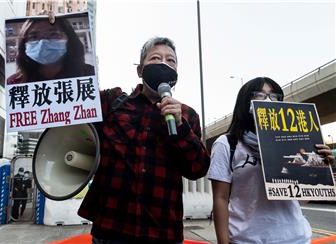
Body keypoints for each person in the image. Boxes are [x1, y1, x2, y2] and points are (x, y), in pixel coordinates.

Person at [78, 37, 210, 244]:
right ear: (140, 70)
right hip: (111, 229)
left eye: (171, 60)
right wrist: (55, 28)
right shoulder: (112, 103)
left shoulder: (187, 115)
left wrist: (181, 128)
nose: (163, 64)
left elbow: (197, 169)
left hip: (163, 233)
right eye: (155, 58)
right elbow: (68, 103)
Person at [207, 77, 335, 244]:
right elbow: (220, 199)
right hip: (246, 239)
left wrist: (317, 168)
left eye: (274, 97)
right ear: (245, 102)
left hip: (295, 237)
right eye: (259, 95)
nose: (268, 100)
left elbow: (301, 198)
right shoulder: (227, 144)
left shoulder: (294, 142)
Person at [7, 17, 94, 84]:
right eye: (34, 37)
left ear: (70, 39)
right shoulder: (14, 82)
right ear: (24, 44)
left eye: (54, 35)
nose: (42, 43)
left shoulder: (89, 74)